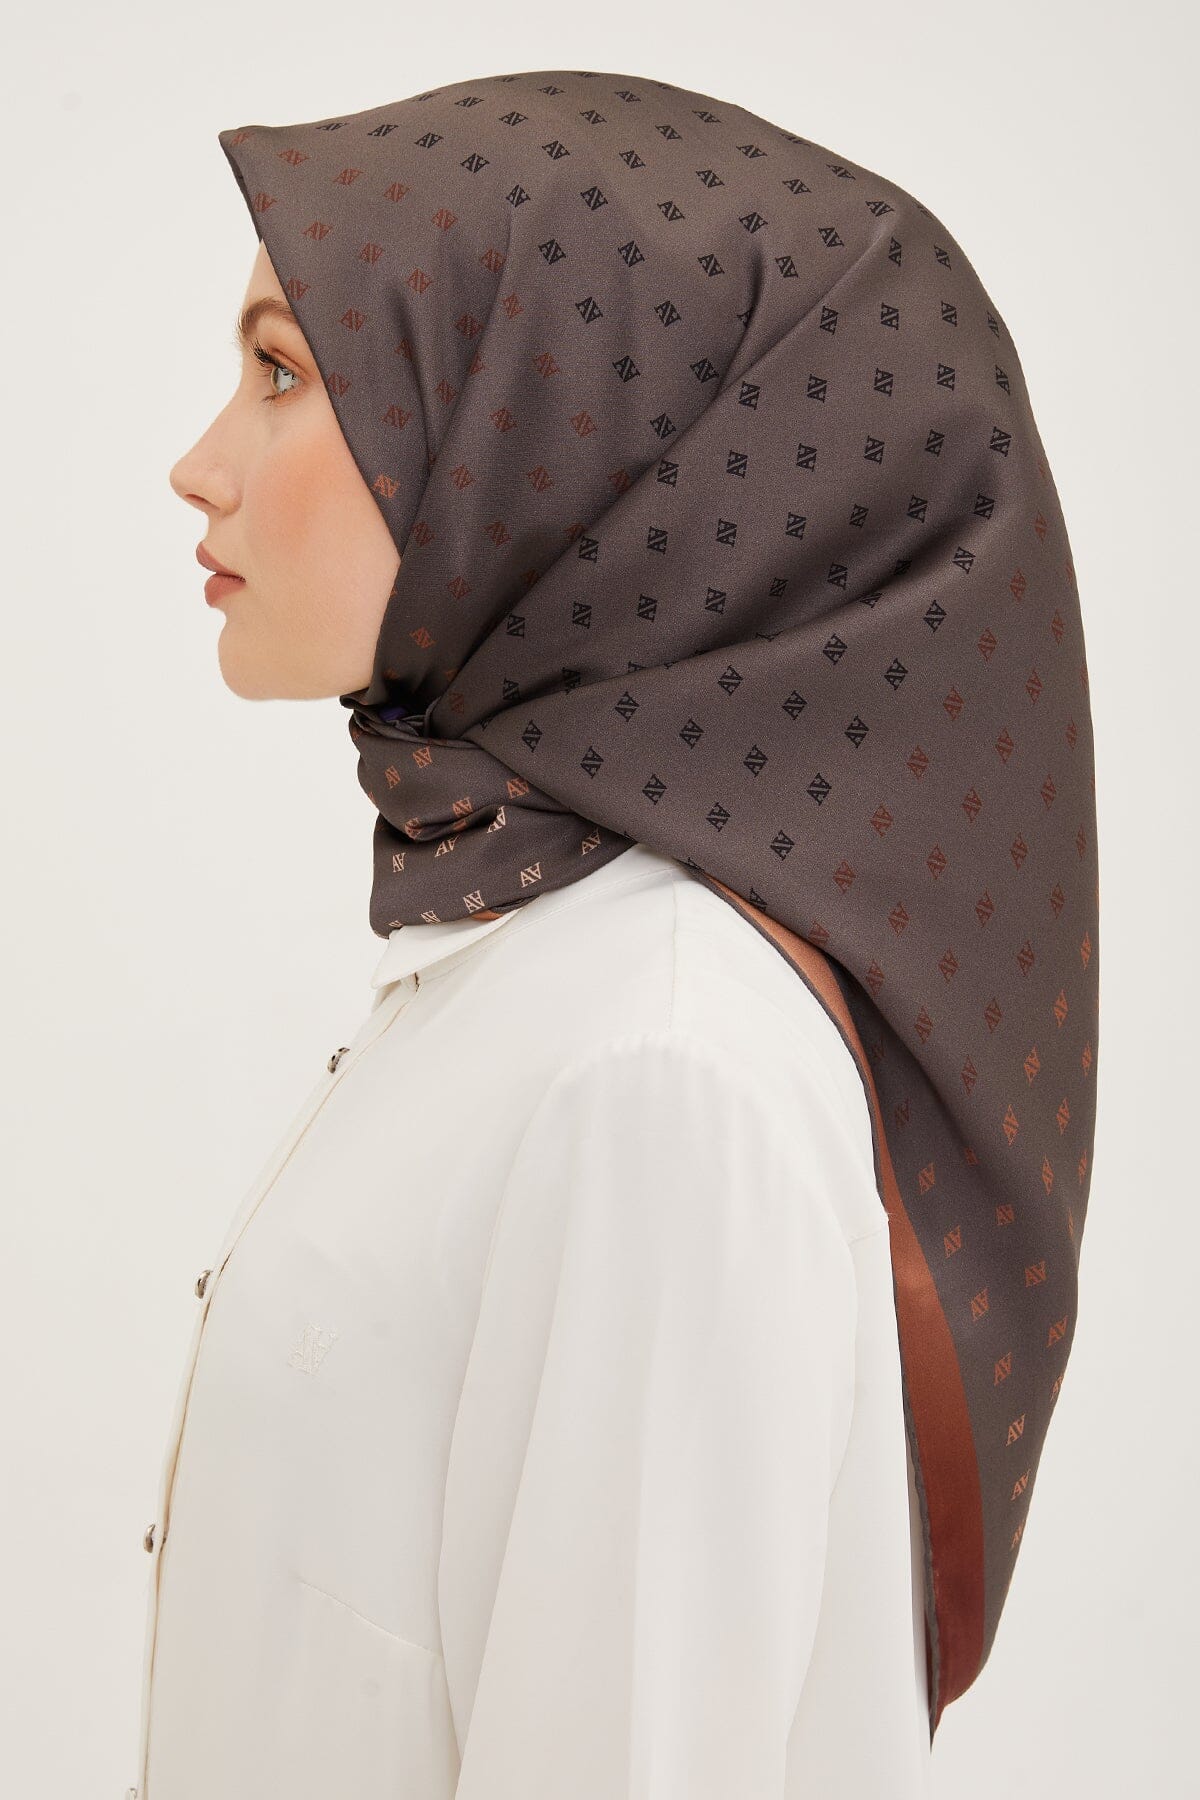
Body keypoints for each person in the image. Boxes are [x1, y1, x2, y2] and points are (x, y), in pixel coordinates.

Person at [129, 68, 1099, 1800]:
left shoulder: (663, 1071)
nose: (200, 466)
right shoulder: (539, 975)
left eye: (281, 372)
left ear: (540, 436)